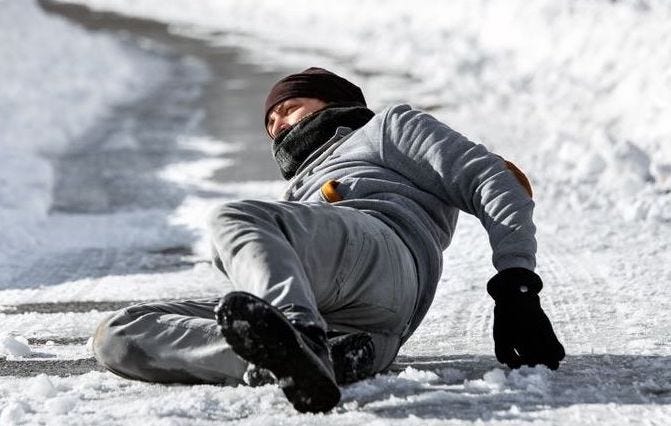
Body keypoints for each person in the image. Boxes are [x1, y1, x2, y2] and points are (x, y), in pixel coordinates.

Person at [92, 67, 565, 413]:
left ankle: (298, 334)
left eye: (288, 107)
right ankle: (299, 360)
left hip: (384, 251)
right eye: (269, 122)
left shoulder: (387, 130)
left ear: (332, 101)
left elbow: (495, 179)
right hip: (363, 324)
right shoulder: (297, 190)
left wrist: (516, 284)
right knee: (118, 334)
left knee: (234, 219)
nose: (276, 124)